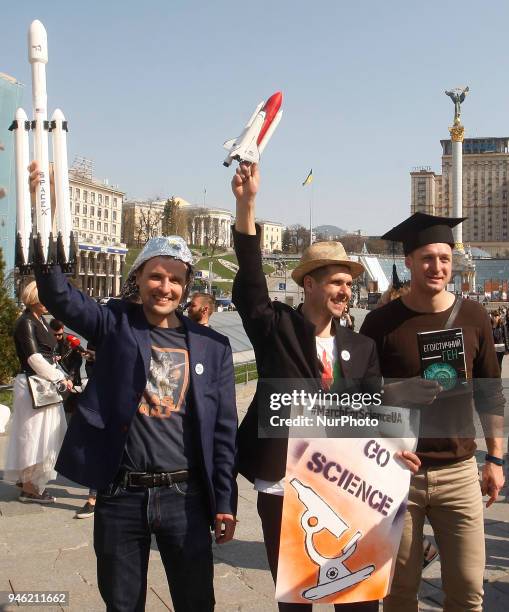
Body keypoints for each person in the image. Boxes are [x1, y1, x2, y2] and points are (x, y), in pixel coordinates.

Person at [32, 156, 237, 612]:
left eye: (175, 280)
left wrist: (224, 500)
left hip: (186, 497)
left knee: (195, 602)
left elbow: (222, 431)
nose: (165, 287)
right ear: (139, 279)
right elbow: (59, 296)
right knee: (122, 604)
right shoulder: (113, 324)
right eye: (155, 277)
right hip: (121, 495)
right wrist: (41, 208)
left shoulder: (211, 346)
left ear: (187, 286)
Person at [231, 162, 420, 612]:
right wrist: (246, 205)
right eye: (336, 282)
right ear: (309, 284)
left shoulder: (360, 345)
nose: (345, 292)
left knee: (356, 602)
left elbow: (370, 412)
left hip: (346, 484)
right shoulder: (275, 327)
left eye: (350, 284)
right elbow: (252, 281)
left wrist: (396, 448)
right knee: (297, 601)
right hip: (283, 483)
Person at [360, 212, 505, 612]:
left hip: (460, 472)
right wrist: (395, 390)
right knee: (399, 592)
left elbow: (490, 394)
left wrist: (494, 457)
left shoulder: (474, 316)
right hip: (398, 472)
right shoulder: (380, 323)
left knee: (468, 589)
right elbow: (355, 397)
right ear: (409, 261)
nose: (437, 267)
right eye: (427, 258)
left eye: (444, 258)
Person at [4, 281, 71, 503]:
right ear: (33, 299)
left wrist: (58, 373)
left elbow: (44, 355)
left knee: (43, 435)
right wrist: (59, 376)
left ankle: (30, 483)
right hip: (34, 385)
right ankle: (30, 487)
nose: (47, 304)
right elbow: (33, 358)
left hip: (42, 384)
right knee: (34, 436)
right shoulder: (26, 322)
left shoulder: (38, 320)